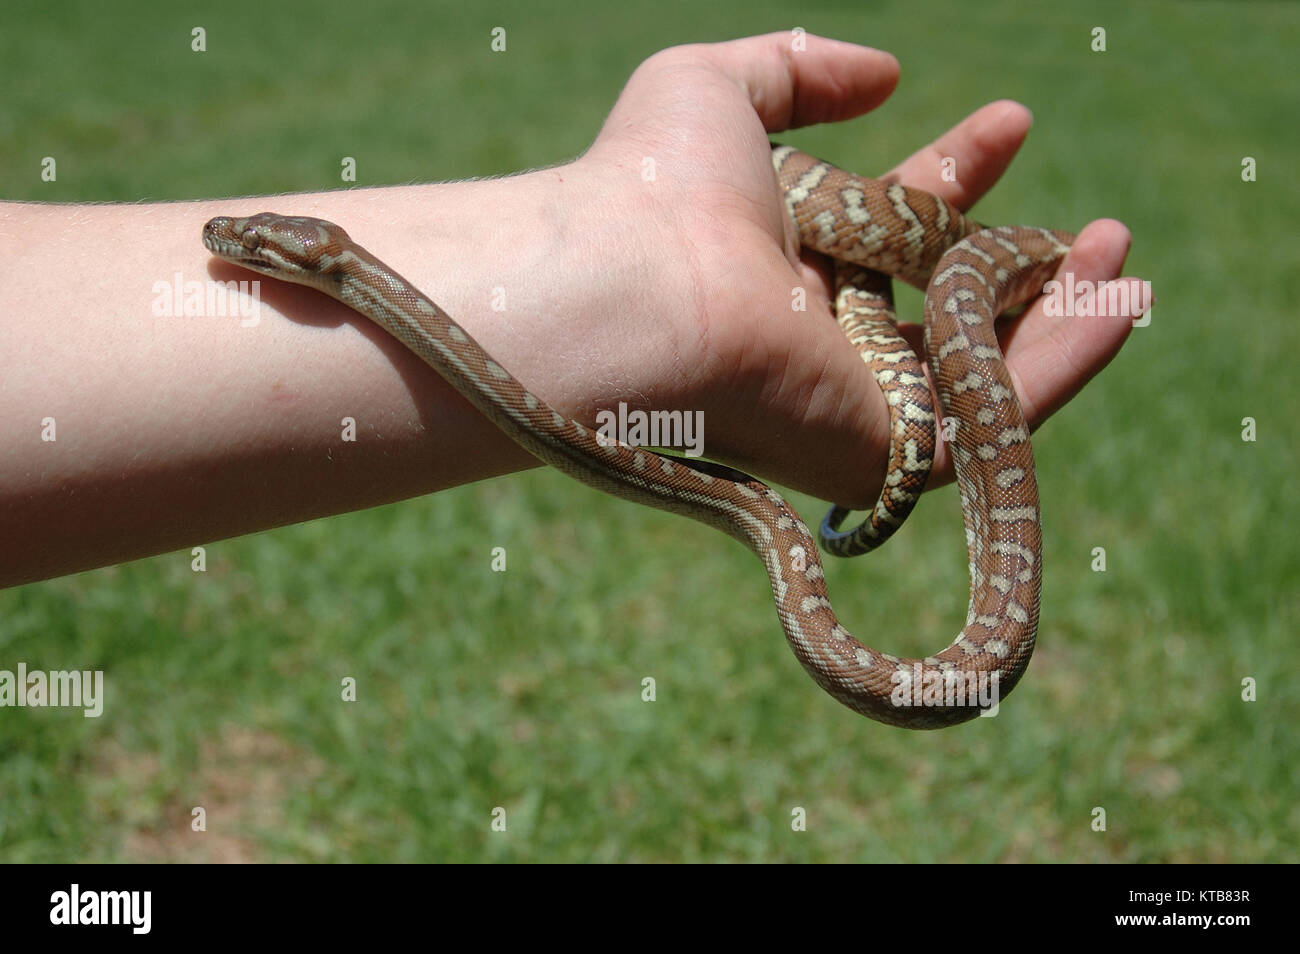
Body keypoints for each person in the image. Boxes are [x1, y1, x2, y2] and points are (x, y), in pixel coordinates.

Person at [0, 33, 1145, 589]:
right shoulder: (330, 268)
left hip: (924, 270)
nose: (234, 246)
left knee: (991, 267)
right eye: (254, 240)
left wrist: (925, 273)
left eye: (254, 239)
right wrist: (663, 287)